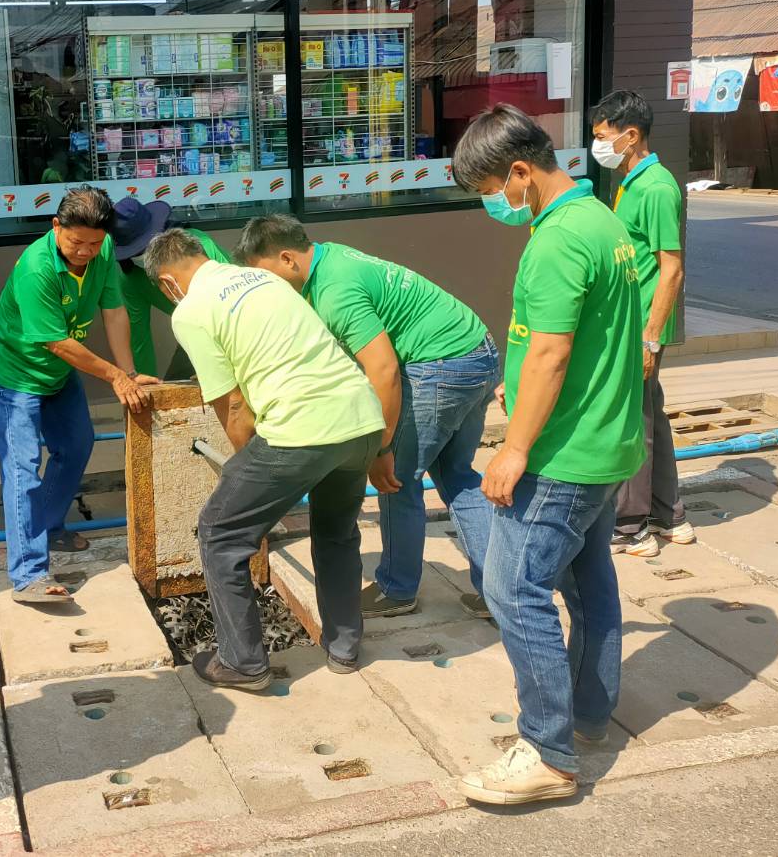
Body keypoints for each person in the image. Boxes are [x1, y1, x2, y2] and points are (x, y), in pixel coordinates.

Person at [449, 104, 645, 806]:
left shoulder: (558, 239)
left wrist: (514, 448)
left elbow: (553, 352)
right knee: (588, 584)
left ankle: (547, 752)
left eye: (489, 190)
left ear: (520, 172)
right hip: (606, 440)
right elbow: (586, 338)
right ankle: (588, 713)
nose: (491, 205)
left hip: (563, 454)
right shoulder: (599, 219)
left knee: (513, 589)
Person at [143, 228, 385, 691]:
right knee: (336, 533)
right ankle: (344, 648)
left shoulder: (191, 310)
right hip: (360, 420)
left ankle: (243, 663)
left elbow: (233, 406)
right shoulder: (266, 279)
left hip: (300, 430)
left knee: (220, 531)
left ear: (168, 283)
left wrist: (249, 475)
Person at [233, 215, 497, 621]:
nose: (268, 287)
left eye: (265, 275)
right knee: (457, 475)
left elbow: (384, 370)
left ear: (287, 258)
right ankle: (500, 593)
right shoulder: (332, 257)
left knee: (395, 481)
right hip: (477, 353)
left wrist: (382, 448)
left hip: (440, 367)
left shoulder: (335, 291)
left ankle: (396, 588)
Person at [0, 185, 158, 603]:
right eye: (77, 242)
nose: (86, 252)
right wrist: (115, 376)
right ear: (56, 226)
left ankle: (49, 525)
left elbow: (114, 310)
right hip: (13, 374)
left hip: (58, 372)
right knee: (22, 467)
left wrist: (129, 373)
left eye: (94, 244)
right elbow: (57, 342)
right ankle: (29, 575)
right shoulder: (36, 268)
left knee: (77, 445)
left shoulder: (103, 249)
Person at [591, 91, 696, 557]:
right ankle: (669, 515)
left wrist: (649, 339)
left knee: (632, 423)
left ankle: (631, 526)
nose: (598, 145)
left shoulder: (655, 188)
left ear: (630, 135)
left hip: (641, 328)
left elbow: (671, 269)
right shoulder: (631, 182)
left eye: (603, 136)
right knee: (649, 415)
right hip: (632, 324)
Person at [108, 197, 230, 379]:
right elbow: (138, 336)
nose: (145, 257)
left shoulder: (198, 244)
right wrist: (144, 384)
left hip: (236, 323)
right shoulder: (130, 278)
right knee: (177, 381)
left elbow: (235, 298)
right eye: (137, 252)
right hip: (196, 332)